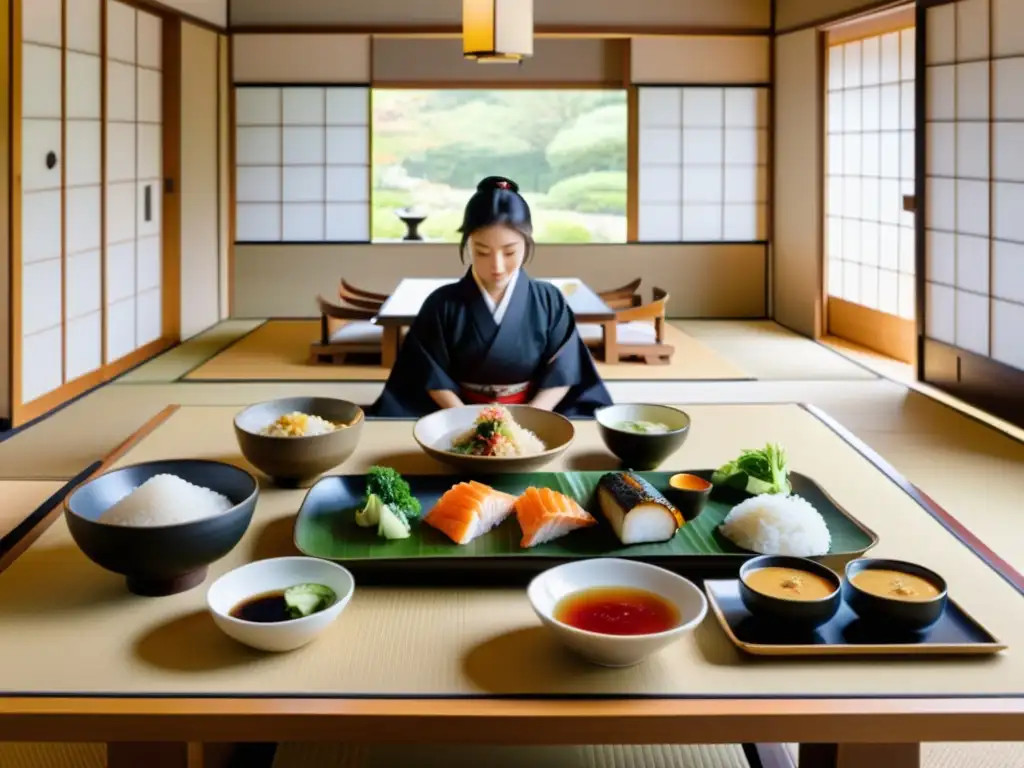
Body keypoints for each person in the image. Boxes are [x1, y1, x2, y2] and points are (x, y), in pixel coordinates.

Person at [368, 176, 612, 418]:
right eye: (482, 252)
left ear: (527, 242)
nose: (497, 266)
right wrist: (467, 420)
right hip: (457, 415)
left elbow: (565, 369)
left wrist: (532, 418)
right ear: (468, 243)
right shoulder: (442, 304)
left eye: (509, 252)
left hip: (533, 415)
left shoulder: (549, 301)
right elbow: (430, 374)